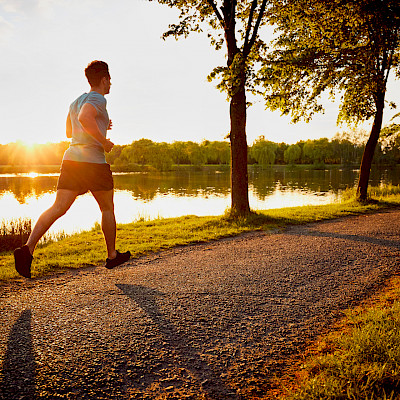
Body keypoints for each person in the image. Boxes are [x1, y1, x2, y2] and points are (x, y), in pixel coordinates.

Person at [14, 60, 131, 278]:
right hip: (93, 162)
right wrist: (103, 142)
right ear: (104, 79)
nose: (111, 84)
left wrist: (102, 124)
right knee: (107, 208)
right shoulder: (98, 98)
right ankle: (112, 256)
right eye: (110, 80)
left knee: (58, 207)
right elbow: (85, 118)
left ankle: (27, 249)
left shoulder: (75, 101)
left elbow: (70, 131)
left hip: (72, 160)